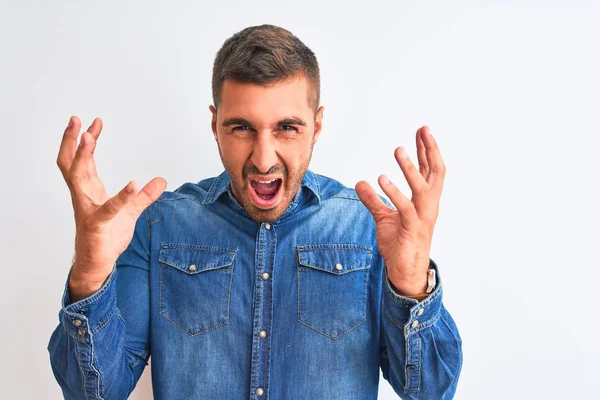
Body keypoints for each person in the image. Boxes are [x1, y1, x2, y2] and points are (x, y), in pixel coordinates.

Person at [48, 24, 462, 400]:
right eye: (242, 127)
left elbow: (431, 392)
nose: (264, 159)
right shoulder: (159, 226)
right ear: (215, 126)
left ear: (316, 126)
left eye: (287, 127)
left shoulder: (371, 229)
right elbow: (93, 393)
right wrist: (89, 274)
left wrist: (411, 284)